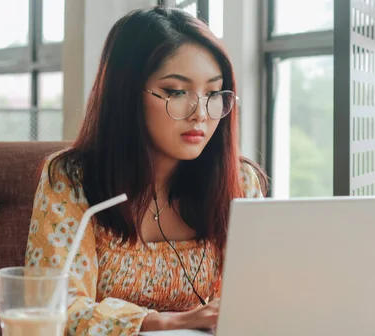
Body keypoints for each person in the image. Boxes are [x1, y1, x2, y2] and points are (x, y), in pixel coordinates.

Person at [25, 6, 267, 335]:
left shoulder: (241, 182)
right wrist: (173, 321)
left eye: (212, 93)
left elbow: (255, 301)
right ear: (127, 93)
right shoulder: (70, 178)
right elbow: (54, 307)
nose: (200, 114)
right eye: (176, 92)